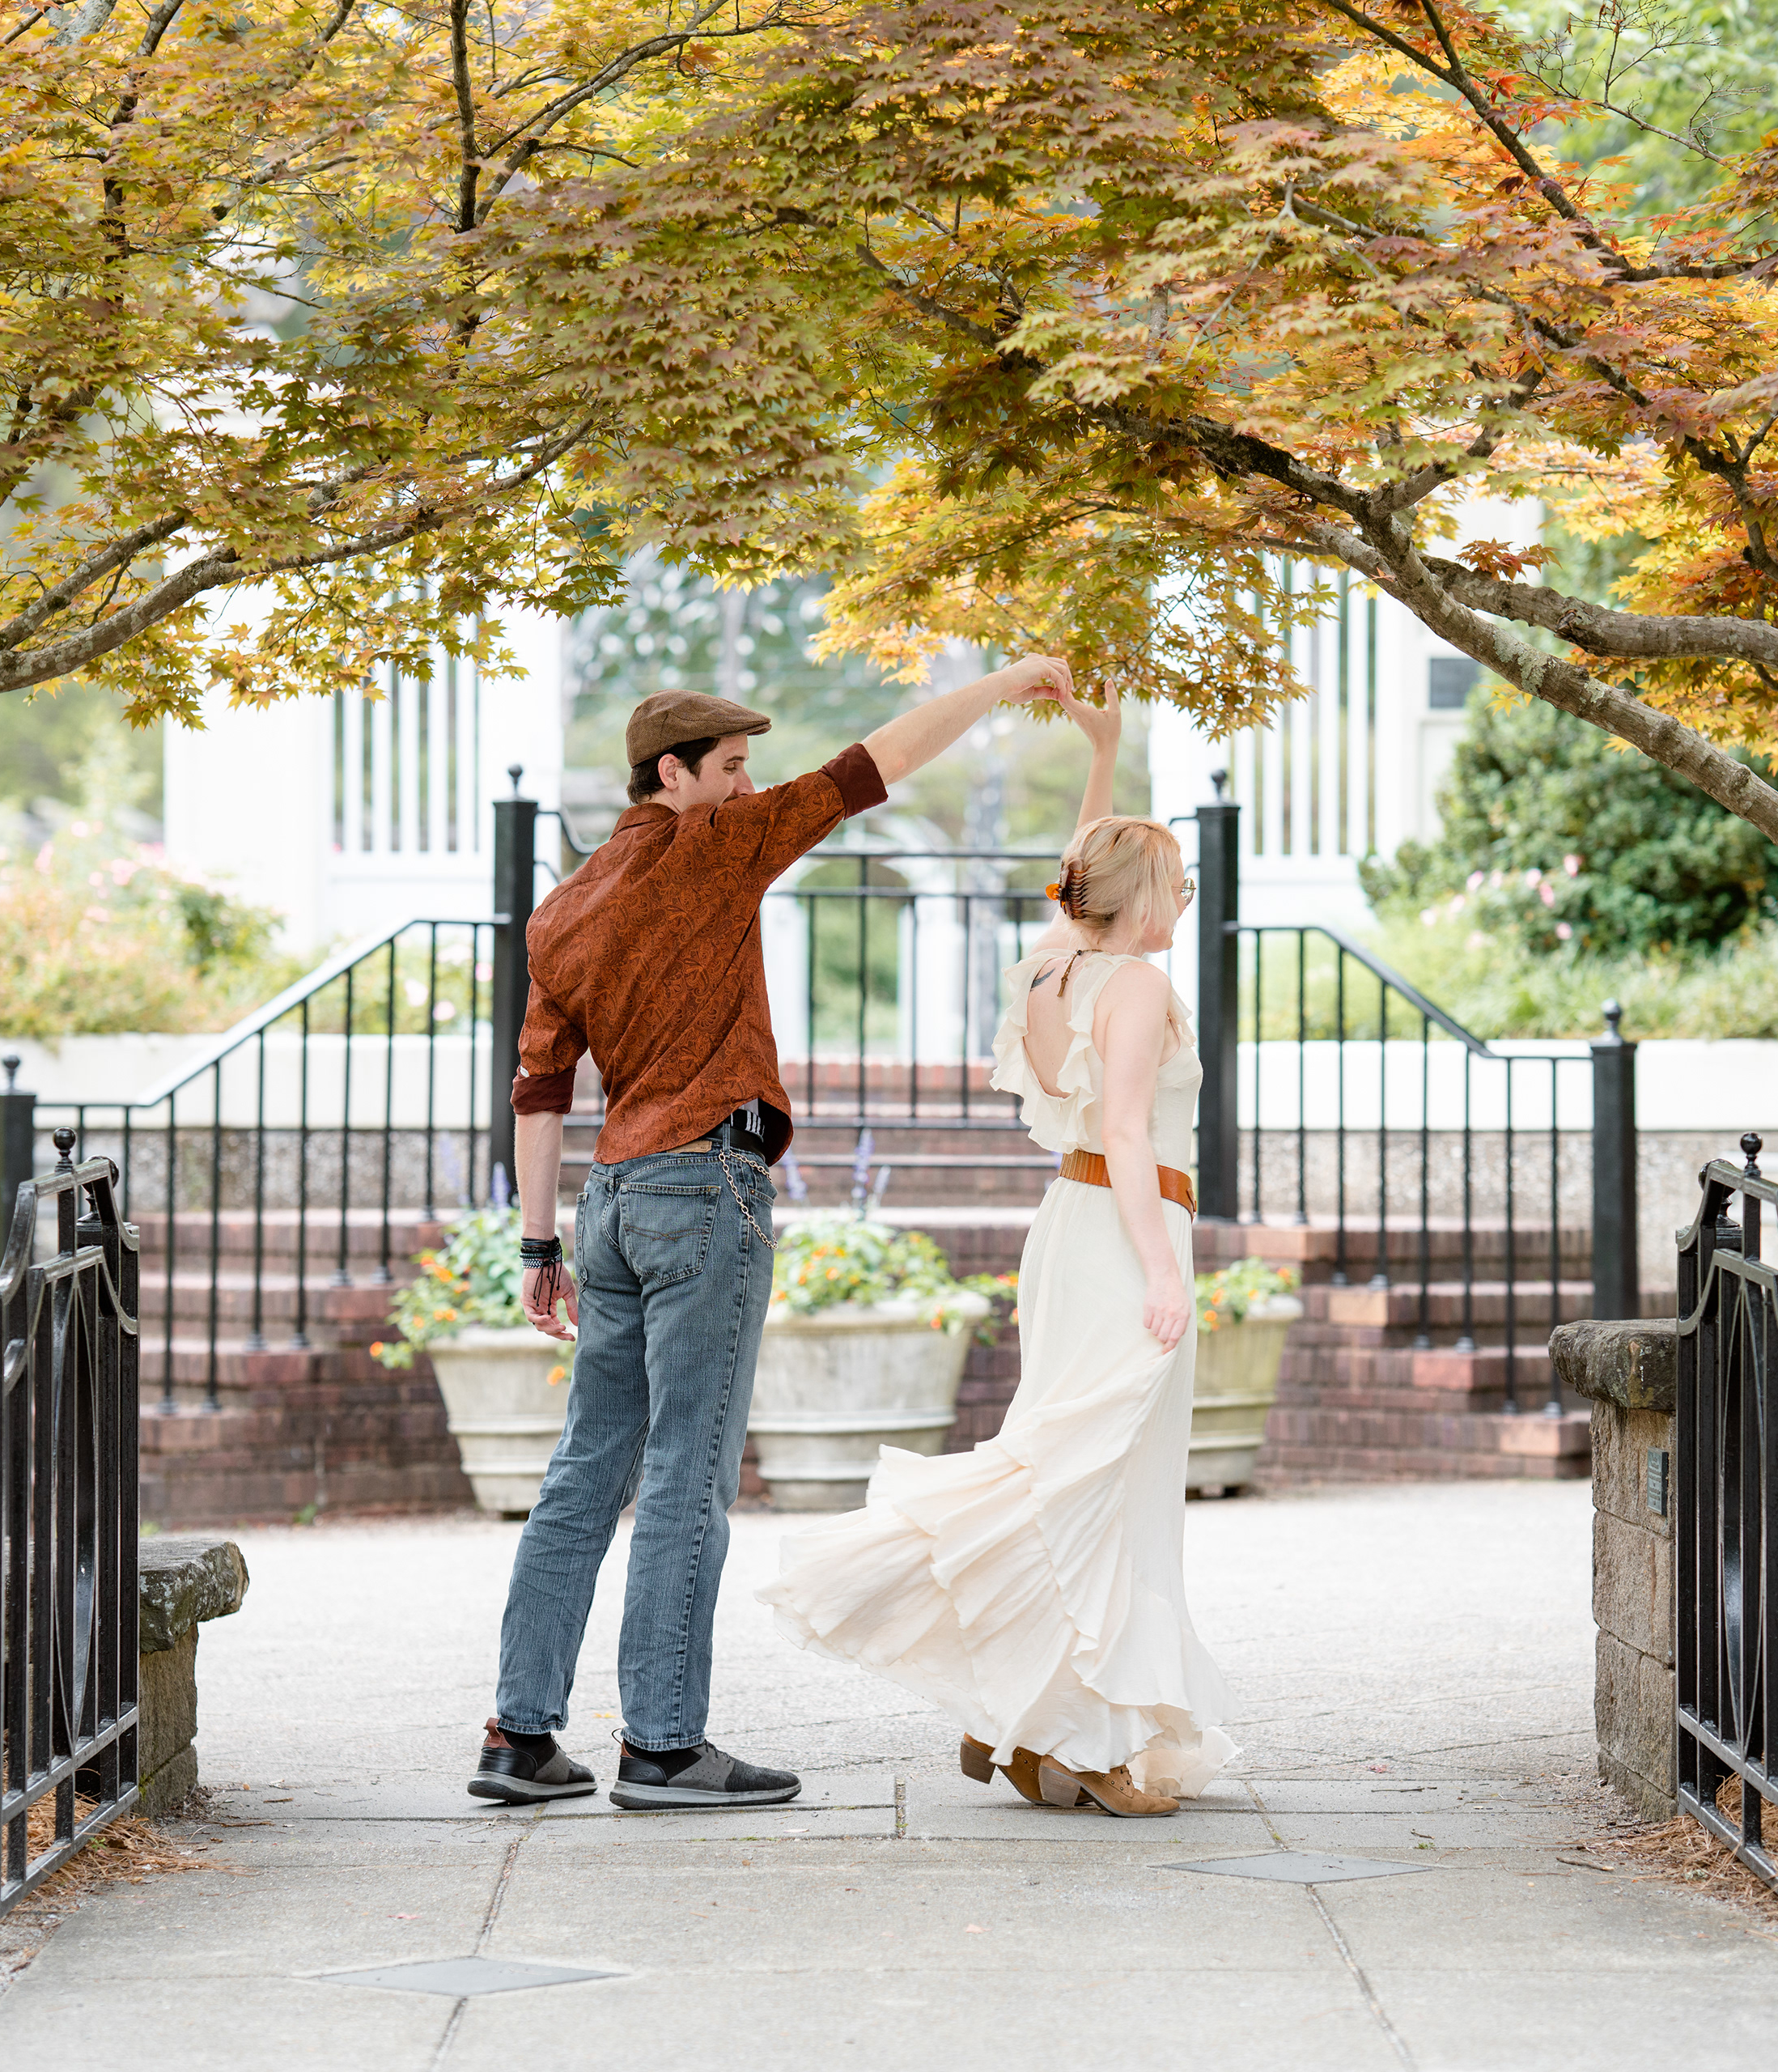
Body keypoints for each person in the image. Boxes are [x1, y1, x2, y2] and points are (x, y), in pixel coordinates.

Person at [470, 655, 1078, 1811]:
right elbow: (876, 764)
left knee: (584, 1473)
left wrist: (538, 1248)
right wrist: (1001, 684)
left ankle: (520, 1733)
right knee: (687, 1473)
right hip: (703, 1193)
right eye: (734, 768)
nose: (751, 789)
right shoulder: (716, 849)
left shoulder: (564, 910)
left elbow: (539, 1094)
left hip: (607, 1206)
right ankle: (662, 1743)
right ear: (674, 774)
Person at [754, 686, 1233, 1817]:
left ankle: (1016, 1717)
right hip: (1127, 1227)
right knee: (1098, 1476)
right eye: (1173, 882)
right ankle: (1097, 1740)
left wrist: (1106, 751)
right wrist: (1165, 1275)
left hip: (1070, 1230)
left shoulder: (1054, 965)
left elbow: (1083, 870)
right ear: (1140, 899)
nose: (1184, 896)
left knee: (1066, 1455)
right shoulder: (1139, 981)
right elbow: (1123, 1130)